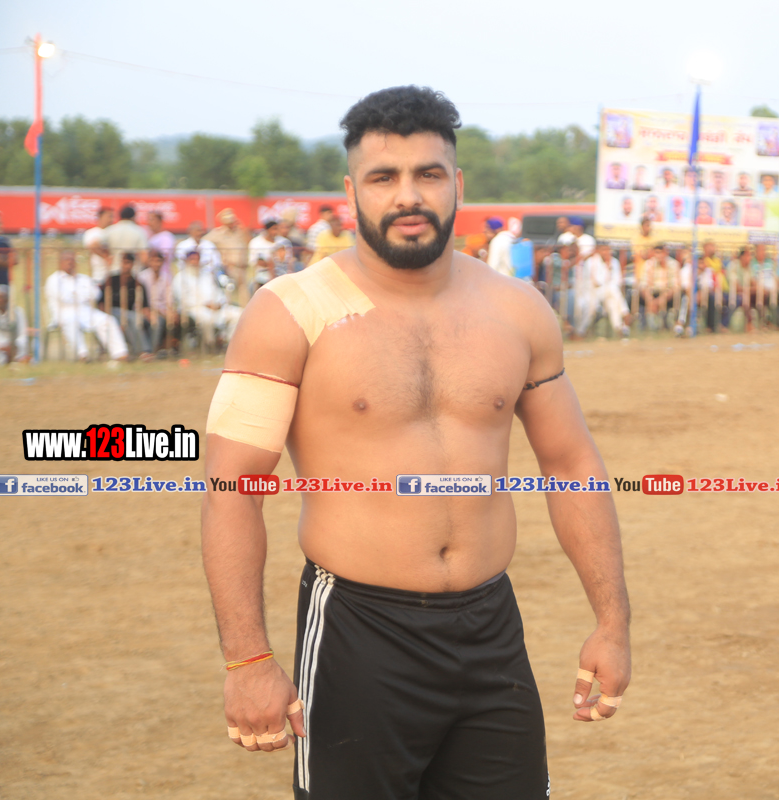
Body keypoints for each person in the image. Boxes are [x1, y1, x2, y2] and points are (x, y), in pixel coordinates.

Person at [201, 87, 629, 799]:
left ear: (457, 184)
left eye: (428, 174)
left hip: (492, 630)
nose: (408, 195)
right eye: (383, 177)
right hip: (359, 631)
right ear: (351, 194)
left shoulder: (518, 310)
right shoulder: (289, 313)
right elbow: (231, 489)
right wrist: (247, 660)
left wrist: (612, 623)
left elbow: (571, 464)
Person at [44, 249, 128, 362]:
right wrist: (83, 295)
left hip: (85, 311)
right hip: (64, 312)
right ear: (60, 262)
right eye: (66, 259)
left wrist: (76, 295)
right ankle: (82, 355)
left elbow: (96, 293)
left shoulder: (83, 278)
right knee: (70, 321)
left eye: (72, 260)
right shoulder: (54, 279)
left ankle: (119, 354)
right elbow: (64, 298)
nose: (70, 262)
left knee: (107, 320)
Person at [172, 248, 243, 346]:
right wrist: (205, 304)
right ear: (186, 261)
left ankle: (228, 343)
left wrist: (219, 303)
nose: (194, 262)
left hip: (215, 307)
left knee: (238, 313)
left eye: (197, 259)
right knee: (206, 319)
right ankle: (211, 344)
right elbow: (183, 299)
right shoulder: (180, 278)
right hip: (194, 309)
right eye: (192, 259)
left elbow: (218, 292)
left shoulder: (207, 276)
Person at [104, 252, 150, 358]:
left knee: (131, 324)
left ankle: (135, 352)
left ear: (133, 264)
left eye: (128, 263)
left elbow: (144, 304)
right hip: (112, 312)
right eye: (124, 262)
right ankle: (144, 351)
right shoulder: (112, 279)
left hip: (127, 315)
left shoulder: (136, 282)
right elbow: (102, 301)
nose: (126, 266)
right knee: (134, 318)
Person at [582, 242, 629, 337]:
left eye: (608, 250)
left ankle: (619, 328)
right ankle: (625, 312)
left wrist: (608, 267)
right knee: (612, 289)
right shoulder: (591, 262)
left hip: (610, 293)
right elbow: (595, 282)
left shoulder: (614, 262)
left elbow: (618, 281)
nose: (606, 252)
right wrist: (608, 270)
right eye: (603, 250)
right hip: (594, 292)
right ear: (598, 251)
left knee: (612, 304)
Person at [206, 208, 252, 292]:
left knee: (245, 294)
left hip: (243, 268)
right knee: (230, 292)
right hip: (230, 268)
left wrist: (244, 229)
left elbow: (250, 243)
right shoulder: (218, 233)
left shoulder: (239, 231)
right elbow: (204, 242)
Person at [104, 205, 150, 280]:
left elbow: (94, 244)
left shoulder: (110, 230)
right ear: (133, 217)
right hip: (132, 274)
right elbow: (144, 258)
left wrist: (105, 256)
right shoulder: (139, 231)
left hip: (113, 271)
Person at [641, 244, 676, 329]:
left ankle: (667, 322)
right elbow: (643, 284)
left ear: (666, 253)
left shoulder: (673, 264)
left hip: (667, 294)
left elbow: (674, 286)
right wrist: (650, 300)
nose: (659, 255)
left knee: (676, 294)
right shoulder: (648, 264)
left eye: (661, 253)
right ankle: (647, 325)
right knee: (638, 294)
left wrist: (659, 301)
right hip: (652, 293)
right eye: (657, 253)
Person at [0, 285, 29, 364]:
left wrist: (14, 346)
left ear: (7, 299)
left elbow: (23, 335)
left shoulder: (18, 312)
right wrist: (0, 347)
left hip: (16, 347)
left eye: (1, 297)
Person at [81, 207, 114, 287]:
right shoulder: (91, 233)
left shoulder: (113, 232)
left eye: (112, 217)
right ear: (100, 217)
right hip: (98, 274)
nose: (111, 219)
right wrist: (106, 257)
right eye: (109, 216)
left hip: (113, 274)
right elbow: (92, 246)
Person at [146, 211, 176, 275]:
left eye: (152, 220)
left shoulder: (166, 236)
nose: (149, 223)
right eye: (149, 220)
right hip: (151, 274)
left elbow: (164, 256)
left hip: (163, 274)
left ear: (159, 221)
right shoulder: (150, 236)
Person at [0, 210, 15, 288]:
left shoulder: (4, 242)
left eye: (0, 223)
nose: (0, 226)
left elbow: (14, 259)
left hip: (4, 284)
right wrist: (5, 258)